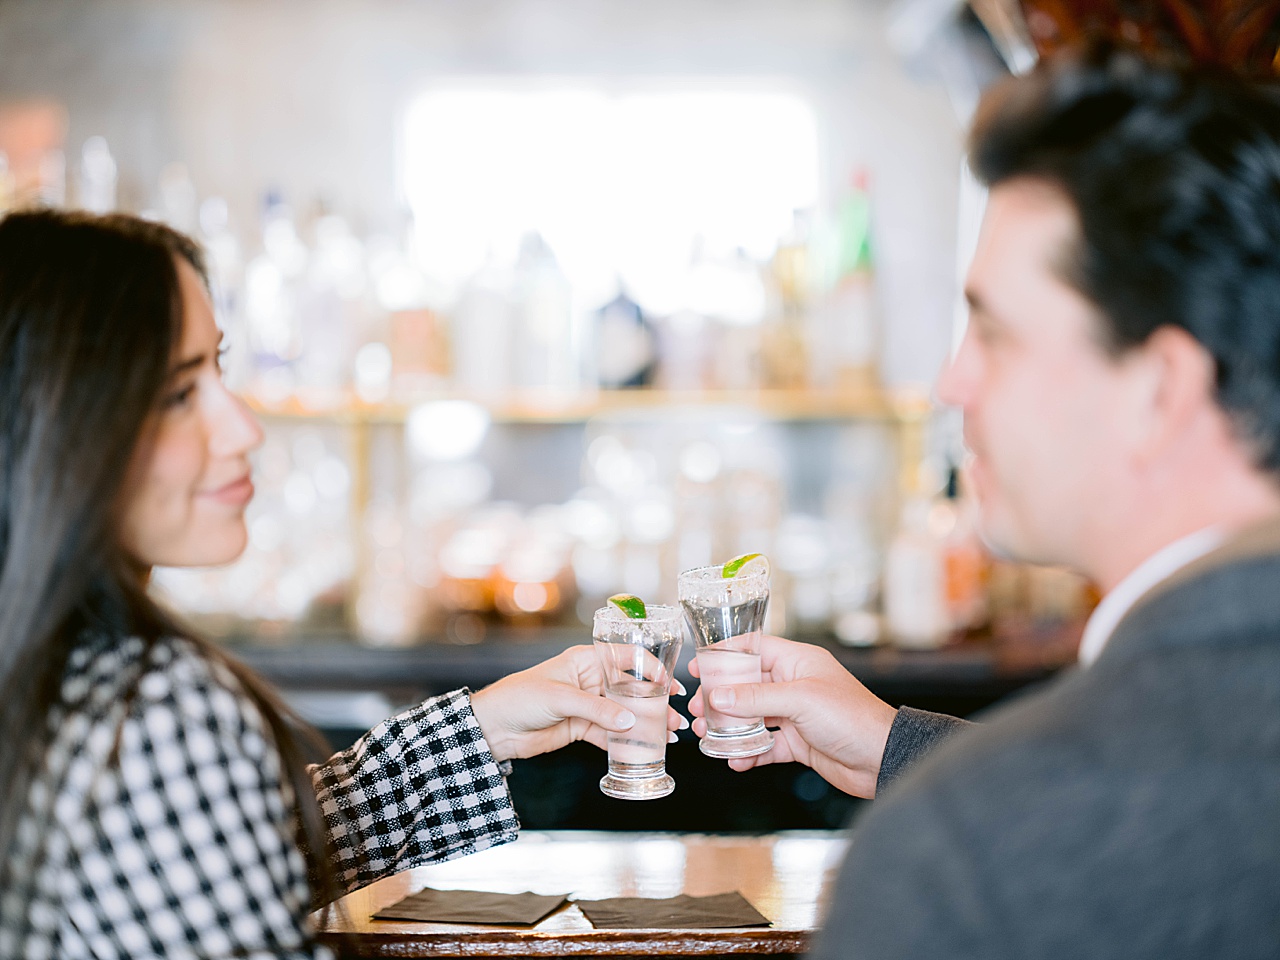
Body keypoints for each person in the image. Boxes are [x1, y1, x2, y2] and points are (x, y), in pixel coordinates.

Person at [692, 44, 1280, 957]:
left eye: (994, 334)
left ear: (1158, 389)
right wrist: (894, 746)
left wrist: (949, 799)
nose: (952, 382)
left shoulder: (963, 853)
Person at [0, 209, 681, 958]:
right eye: (176, 394)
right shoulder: (154, 709)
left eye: (217, 372)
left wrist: (483, 728)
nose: (242, 429)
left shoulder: (45, 666)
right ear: (56, 420)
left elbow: (218, 855)